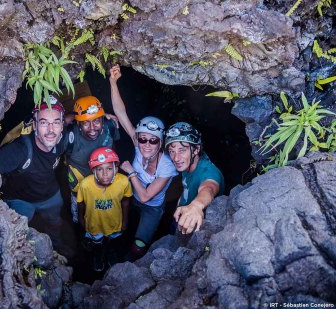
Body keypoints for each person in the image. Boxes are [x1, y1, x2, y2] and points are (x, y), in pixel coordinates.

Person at [109, 65, 178, 259]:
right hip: (131, 197)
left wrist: (130, 172)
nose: (146, 144)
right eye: (142, 139)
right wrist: (113, 83)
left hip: (152, 207)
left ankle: (130, 266)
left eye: (153, 140)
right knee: (117, 227)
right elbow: (121, 113)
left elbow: (146, 196)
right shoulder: (138, 145)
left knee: (139, 246)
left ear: (161, 142)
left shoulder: (167, 165)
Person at [0, 96, 68, 231]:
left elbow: (74, 120)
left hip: (51, 194)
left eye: (56, 122)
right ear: (34, 125)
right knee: (19, 231)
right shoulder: (20, 150)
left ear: (62, 125)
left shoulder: (63, 139)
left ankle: (57, 242)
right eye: (44, 122)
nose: (51, 130)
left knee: (55, 222)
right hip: (21, 200)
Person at [77, 147, 132, 271]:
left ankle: (111, 255)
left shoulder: (123, 182)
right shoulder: (85, 184)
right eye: (100, 169)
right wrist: (81, 219)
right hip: (94, 223)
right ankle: (98, 256)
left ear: (116, 169)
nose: (105, 174)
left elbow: (126, 201)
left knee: (114, 241)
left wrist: (125, 221)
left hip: (115, 222)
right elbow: (80, 203)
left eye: (109, 169)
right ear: (93, 171)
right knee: (97, 242)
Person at [67, 96, 120, 223]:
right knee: (78, 201)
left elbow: (114, 147)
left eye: (96, 121)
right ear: (78, 123)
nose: (92, 128)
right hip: (79, 175)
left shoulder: (110, 126)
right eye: (86, 122)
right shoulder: (70, 135)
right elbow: (59, 121)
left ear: (102, 118)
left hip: (104, 174)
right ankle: (78, 222)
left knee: (102, 202)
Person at [165, 122, 225, 235]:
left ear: (196, 149)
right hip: (180, 212)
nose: (176, 158)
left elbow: (209, 188)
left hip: (190, 220)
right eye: (172, 151)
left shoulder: (208, 172)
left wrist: (196, 206)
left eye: (182, 150)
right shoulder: (189, 162)